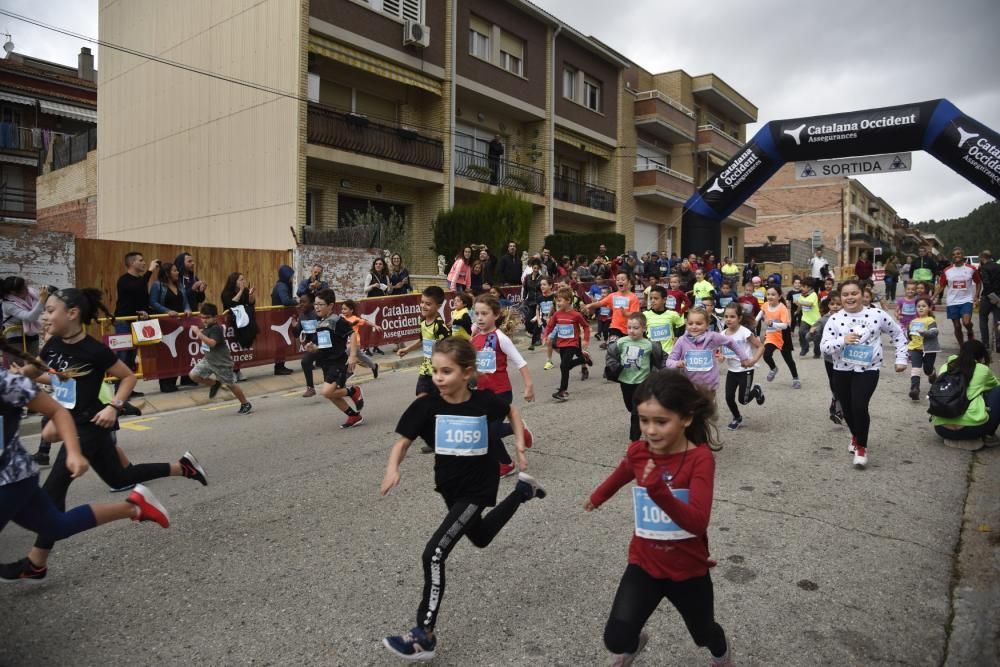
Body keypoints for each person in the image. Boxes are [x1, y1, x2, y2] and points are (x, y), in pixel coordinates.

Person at [0, 288, 207, 583]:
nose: (44, 317)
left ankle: (36, 562)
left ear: (72, 314)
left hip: (93, 424)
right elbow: (58, 375)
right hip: (73, 421)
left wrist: (114, 407)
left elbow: (128, 377)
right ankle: (182, 466)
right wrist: (27, 374)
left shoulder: (95, 350)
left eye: (49, 311)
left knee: (53, 491)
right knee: (120, 478)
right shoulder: (53, 345)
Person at [379, 337, 544, 662]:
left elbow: (511, 410)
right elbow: (403, 442)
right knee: (479, 537)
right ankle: (524, 492)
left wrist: (520, 446)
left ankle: (423, 635)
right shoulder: (426, 406)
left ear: (467, 372)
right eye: (435, 371)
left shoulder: (482, 401)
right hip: (450, 489)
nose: (438, 377)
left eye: (447, 371)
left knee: (434, 554)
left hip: (478, 489)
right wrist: (392, 468)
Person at [585, 371, 734, 667]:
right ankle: (633, 643)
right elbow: (623, 472)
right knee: (615, 639)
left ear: (686, 418)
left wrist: (658, 491)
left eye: (661, 421)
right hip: (645, 563)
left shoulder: (700, 459)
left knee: (704, 634)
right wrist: (598, 496)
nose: (650, 431)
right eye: (644, 420)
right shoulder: (640, 451)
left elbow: (697, 522)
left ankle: (722, 654)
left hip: (688, 569)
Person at [0, 356, 170, 583]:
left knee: (115, 476)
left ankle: (36, 565)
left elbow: (58, 411)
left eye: (50, 318)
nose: (47, 321)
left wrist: (73, 451)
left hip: (11, 479)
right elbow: (51, 378)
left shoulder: (7, 383)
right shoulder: (40, 359)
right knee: (56, 526)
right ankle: (134, 507)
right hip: (21, 475)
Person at [820, 280, 908, 469]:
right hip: (841, 370)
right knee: (847, 409)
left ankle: (861, 447)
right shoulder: (834, 319)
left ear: (862, 294)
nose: (850, 297)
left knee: (859, 406)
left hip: (868, 369)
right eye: (845, 294)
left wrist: (901, 359)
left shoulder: (877, 315)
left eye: (854, 293)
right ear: (840, 298)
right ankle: (855, 434)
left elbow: (898, 334)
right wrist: (842, 340)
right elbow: (824, 347)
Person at [471, 293, 535, 478]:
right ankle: (506, 464)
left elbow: (520, 362)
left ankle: (519, 429)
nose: (480, 318)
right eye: (477, 314)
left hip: (501, 392)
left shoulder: (500, 338)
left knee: (490, 431)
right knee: (486, 433)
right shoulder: (474, 339)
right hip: (481, 393)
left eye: (485, 313)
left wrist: (529, 385)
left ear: (496, 315)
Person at [304, 289, 363, 429]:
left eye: (320, 304)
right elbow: (323, 345)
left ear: (330, 305)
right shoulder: (320, 322)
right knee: (332, 395)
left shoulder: (337, 320)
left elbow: (352, 334)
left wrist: (353, 355)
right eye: (315, 304)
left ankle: (353, 391)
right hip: (326, 363)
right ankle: (353, 416)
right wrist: (313, 348)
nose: (316, 307)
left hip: (338, 361)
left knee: (327, 392)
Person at [666, 307, 751, 405]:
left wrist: (743, 358)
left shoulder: (713, 337)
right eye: (690, 323)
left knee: (705, 411)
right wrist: (677, 363)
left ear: (707, 325)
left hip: (709, 386)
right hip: (689, 385)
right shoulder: (682, 341)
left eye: (699, 323)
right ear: (686, 324)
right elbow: (669, 362)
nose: (694, 326)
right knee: (692, 411)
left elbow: (731, 342)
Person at [605, 312, 661, 441]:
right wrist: (614, 367)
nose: (632, 331)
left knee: (635, 412)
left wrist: (661, 374)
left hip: (643, 382)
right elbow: (610, 356)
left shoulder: (649, 344)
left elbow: (661, 359)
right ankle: (646, 418)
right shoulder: (621, 342)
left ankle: (634, 441)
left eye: (636, 328)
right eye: (629, 327)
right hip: (626, 381)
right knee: (630, 408)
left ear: (644, 329)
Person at [931, 340, 1000, 443]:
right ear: (981, 356)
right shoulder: (983, 370)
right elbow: (996, 385)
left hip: (942, 429)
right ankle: (989, 436)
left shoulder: (945, 367)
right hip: (973, 429)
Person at [187, 304, 252, 413]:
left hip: (222, 363)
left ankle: (245, 403)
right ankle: (215, 384)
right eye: (202, 317)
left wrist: (198, 333)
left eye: (207, 317)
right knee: (193, 375)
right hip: (208, 360)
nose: (204, 320)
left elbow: (212, 343)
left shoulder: (216, 329)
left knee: (231, 385)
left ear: (215, 317)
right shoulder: (207, 328)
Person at [110, 252, 157, 397]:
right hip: (123, 322)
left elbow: (143, 299)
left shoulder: (140, 281)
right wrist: (150, 271)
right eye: (141, 260)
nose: (144, 263)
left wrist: (146, 312)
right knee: (123, 356)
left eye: (144, 261)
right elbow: (137, 287)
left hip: (135, 322)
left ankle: (127, 389)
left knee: (131, 357)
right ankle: (118, 392)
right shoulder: (124, 280)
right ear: (131, 263)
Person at [397, 285, 450, 405]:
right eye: (422, 302)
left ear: (438, 306)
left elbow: (450, 348)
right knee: (421, 399)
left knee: (438, 404)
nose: (423, 306)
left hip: (439, 372)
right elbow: (422, 340)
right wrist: (407, 349)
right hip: (425, 370)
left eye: (428, 304)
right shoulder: (423, 321)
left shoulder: (440, 326)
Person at [720, 302, 766, 430]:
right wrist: (721, 356)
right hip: (732, 371)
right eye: (726, 316)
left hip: (746, 370)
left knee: (743, 400)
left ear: (739, 318)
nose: (728, 319)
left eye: (732, 316)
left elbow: (760, 347)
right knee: (729, 397)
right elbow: (722, 351)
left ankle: (756, 390)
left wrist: (753, 361)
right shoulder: (723, 334)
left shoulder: (744, 332)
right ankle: (737, 418)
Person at [149, 261, 192, 394]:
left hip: (178, 324)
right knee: (165, 354)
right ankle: (165, 383)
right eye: (174, 270)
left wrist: (187, 309)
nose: (177, 272)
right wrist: (166, 311)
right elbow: (153, 302)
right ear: (167, 273)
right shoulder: (158, 285)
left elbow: (185, 301)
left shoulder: (179, 285)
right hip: (164, 324)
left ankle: (174, 380)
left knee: (177, 352)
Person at [544, 287, 592, 401]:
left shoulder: (576, 315)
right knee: (565, 367)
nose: (557, 303)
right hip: (562, 343)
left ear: (569, 300)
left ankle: (562, 390)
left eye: (560, 300)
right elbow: (550, 326)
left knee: (564, 365)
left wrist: (586, 339)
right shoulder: (557, 314)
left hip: (572, 343)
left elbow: (586, 326)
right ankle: (583, 359)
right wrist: (545, 336)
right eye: (557, 300)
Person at [934, 246, 980, 346]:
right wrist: (933, 297)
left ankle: (970, 331)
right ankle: (962, 346)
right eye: (954, 255)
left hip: (966, 300)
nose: (956, 256)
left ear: (962, 255)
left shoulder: (971, 269)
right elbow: (941, 286)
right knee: (957, 326)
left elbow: (978, 282)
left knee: (966, 323)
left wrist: (976, 295)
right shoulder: (947, 270)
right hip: (952, 301)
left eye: (958, 254)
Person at [810, 293, 845, 425]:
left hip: (846, 358)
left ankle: (838, 408)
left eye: (838, 304)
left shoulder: (849, 318)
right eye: (832, 304)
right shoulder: (824, 319)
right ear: (828, 305)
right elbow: (811, 335)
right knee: (833, 382)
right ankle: (836, 401)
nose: (835, 306)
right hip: (830, 358)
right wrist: (812, 331)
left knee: (841, 383)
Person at [220, 272, 258, 383]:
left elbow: (251, 303)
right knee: (231, 349)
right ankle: (230, 371)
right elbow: (230, 304)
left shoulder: (246, 291)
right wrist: (241, 291)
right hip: (231, 323)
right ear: (234, 282)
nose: (243, 281)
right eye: (240, 280)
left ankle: (237, 370)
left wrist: (251, 295)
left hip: (244, 323)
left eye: (243, 279)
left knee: (240, 348)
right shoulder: (226, 292)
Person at [761, 286, 801, 389]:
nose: (770, 296)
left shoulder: (782, 308)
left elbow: (785, 325)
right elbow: (761, 313)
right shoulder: (766, 305)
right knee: (766, 355)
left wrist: (772, 324)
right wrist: (754, 322)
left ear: (779, 297)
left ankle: (796, 378)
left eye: (773, 294)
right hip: (771, 335)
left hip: (783, 336)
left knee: (788, 359)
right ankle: (773, 368)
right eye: (768, 294)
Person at [585, 272, 641, 343]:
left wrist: (626, 314)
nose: (620, 281)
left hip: (629, 329)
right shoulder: (612, 296)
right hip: (615, 327)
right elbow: (600, 303)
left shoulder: (633, 297)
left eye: (623, 279)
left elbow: (635, 314)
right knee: (613, 347)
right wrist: (589, 305)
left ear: (628, 282)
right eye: (617, 280)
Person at [2, 277, 46, 359]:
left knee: (34, 361)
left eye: (25, 285)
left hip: (31, 332)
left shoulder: (32, 293)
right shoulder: (8, 304)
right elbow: (30, 317)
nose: (27, 289)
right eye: (23, 288)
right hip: (15, 337)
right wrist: (42, 300)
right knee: (18, 364)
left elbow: (43, 306)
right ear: (13, 292)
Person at [906, 297, 939, 401]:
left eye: (924, 306)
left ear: (929, 308)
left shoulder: (930, 320)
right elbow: (910, 334)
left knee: (927, 369)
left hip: (929, 349)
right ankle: (915, 389)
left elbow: (935, 332)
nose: (921, 308)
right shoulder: (913, 321)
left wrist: (924, 332)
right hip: (915, 348)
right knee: (915, 369)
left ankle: (932, 373)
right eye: (918, 306)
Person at [340, 299, 381, 378]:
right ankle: (374, 366)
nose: (343, 311)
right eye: (342, 309)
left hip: (355, 342)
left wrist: (375, 326)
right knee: (362, 357)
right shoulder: (341, 318)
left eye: (345, 309)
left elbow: (365, 322)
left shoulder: (355, 319)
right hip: (346, 342)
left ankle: (350, 370)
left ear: (351, 310)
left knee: (347, 353)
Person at [270, 264, 297, 375]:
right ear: (286, 275)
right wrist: (297, 301)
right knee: (281, 343)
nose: (292, 278)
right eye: (291, 276)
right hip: (280, 320)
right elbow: (285, 301)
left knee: (283, 343)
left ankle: (281, 365)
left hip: (283, 319)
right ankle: (279, 367)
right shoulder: (282, 286)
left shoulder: (283, 285)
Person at [294, 293, 320, 397]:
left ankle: (339, 385)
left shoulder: (317, 314)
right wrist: (294, 326)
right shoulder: (302, 316)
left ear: (311, 303)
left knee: (327, 365)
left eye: (304, 302)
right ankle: (310, 388)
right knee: (305, 362)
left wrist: (316, 343)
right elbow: (296, 333)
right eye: (300, 302)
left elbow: (323, 330)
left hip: (323, 344)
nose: (301, 304)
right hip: (312, 346)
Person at [976, 250, 1000, 346]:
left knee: (983, 318)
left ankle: (985, 343)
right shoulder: (998, 267)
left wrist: (993, 298)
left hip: (988, 297)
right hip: (999, 295)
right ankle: (999, 344)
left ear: (982, 258)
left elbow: (986, 283)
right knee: (997, 320)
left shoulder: (984, 268)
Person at [796, 280, 821, 358]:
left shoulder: (813, 295)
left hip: (815, 320)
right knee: (801, 332)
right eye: (801, 286)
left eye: (803, 287)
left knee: (816, 336)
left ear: (809, 288)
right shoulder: (801, 295)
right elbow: (799, 306)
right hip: (805, 319)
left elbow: (810, 304)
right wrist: (797, 312)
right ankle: (805, 348)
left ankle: (817, 352)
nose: (801, 288)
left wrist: (799, 303)